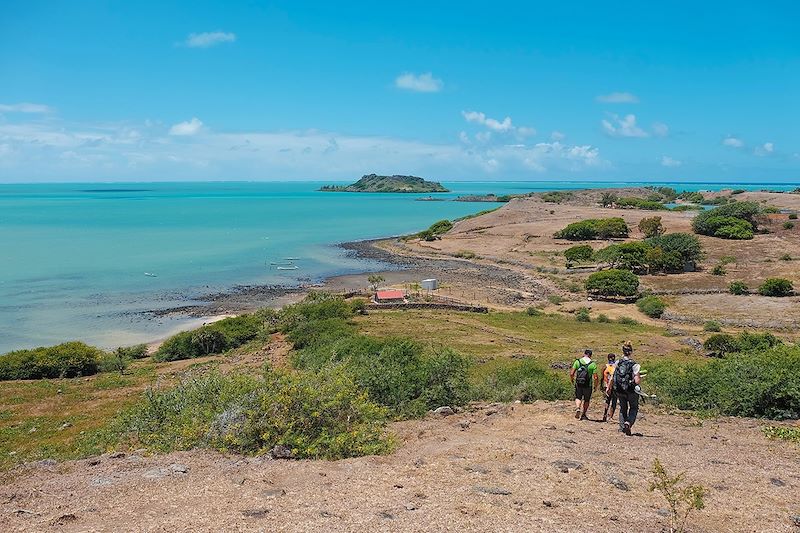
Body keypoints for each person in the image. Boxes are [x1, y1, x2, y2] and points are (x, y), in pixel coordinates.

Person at [610, 347, 642, 435]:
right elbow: (636, 380)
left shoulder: (618, 362)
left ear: (623, 352)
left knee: (622, 408)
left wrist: (609, 387)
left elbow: (612, 376)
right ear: (631, 352)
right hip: (631, 390)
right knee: (634, 407)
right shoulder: (635, 365)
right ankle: (628, 422)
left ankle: (621, 428)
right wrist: (640, 378)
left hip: (620, 389)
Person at [570, 349, 599, 420]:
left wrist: (572, 380)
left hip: (578, 383)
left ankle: (577, 408)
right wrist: (595, 386)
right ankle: (583, 414)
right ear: (590, 355)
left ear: (584, 354)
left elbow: (571, 373)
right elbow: (595, 378)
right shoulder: (592, 364)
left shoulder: (577, 362)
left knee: (578, 397)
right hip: (588, 385)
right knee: (586, 400)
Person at [601, 353, 617, 422]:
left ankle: (604, 415)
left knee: (607, 400)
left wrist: (602, 386)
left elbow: (602, 377)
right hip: (614, 386)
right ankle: (610, 416)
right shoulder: (616, 367)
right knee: (614, 401)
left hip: (606, 385)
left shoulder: (605, 366)